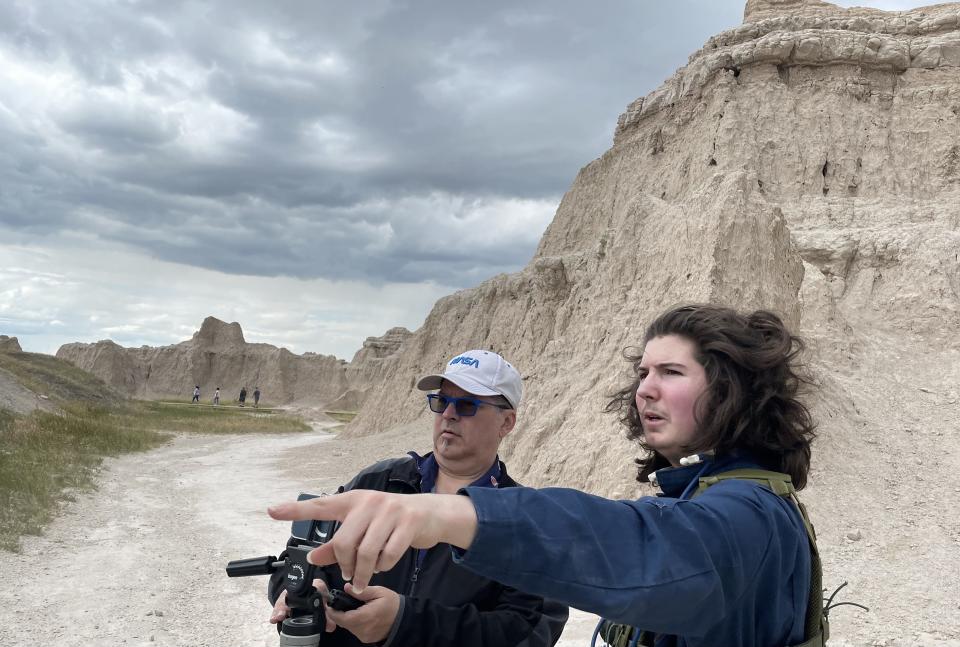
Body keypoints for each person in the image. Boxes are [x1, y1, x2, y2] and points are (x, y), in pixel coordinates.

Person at [269, 305, 820, 647]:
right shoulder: (382, 482)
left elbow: (632, 547)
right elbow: (301, 564)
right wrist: (304, 595)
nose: (644, 389)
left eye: (671, 372)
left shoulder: (750, 514)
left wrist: (447, 525)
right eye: (643, 372)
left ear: (731, 390)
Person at [267, 349, 568, 647]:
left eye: (466, 405)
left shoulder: (524, 519)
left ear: (507, 423)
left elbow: (529, 632)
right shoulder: (379, 481)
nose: (448, 414)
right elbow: (295, 562)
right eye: (442, 401)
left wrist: (404, 623)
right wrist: (305, 590)